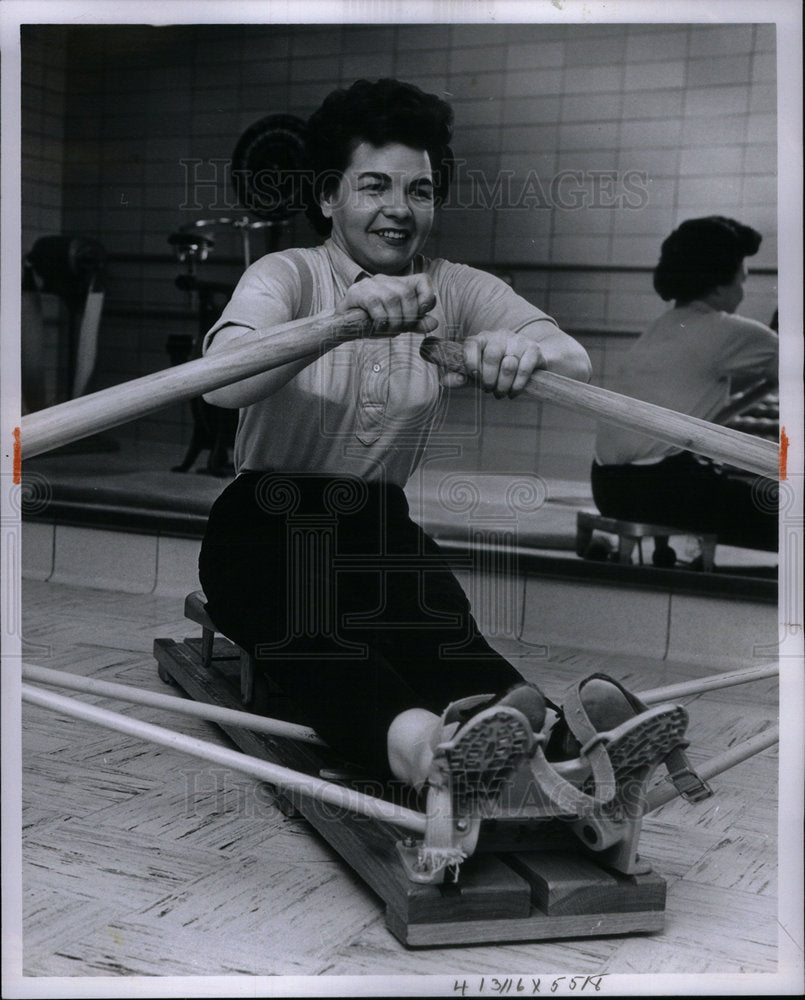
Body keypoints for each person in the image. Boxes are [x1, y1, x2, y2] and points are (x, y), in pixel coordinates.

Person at [197, 77, 668, 808]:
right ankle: (435, 754)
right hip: (264, 521)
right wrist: (337, 319)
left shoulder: (454, 286)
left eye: (418, 191)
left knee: (446, 641)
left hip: (378, 522)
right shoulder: (286, 273)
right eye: (374, 186)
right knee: (321, 646)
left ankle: (564, 740)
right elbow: (221, 383)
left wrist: (520, 349)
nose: (398, 210)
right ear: (327, 197)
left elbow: (568, 355)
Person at [591, 216, 779, 553]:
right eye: (742, 280)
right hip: (667, 491)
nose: (742, 293)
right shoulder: (729, 330)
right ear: (721, 284)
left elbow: (707, 410)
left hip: (608, 489)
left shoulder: (661, 327)